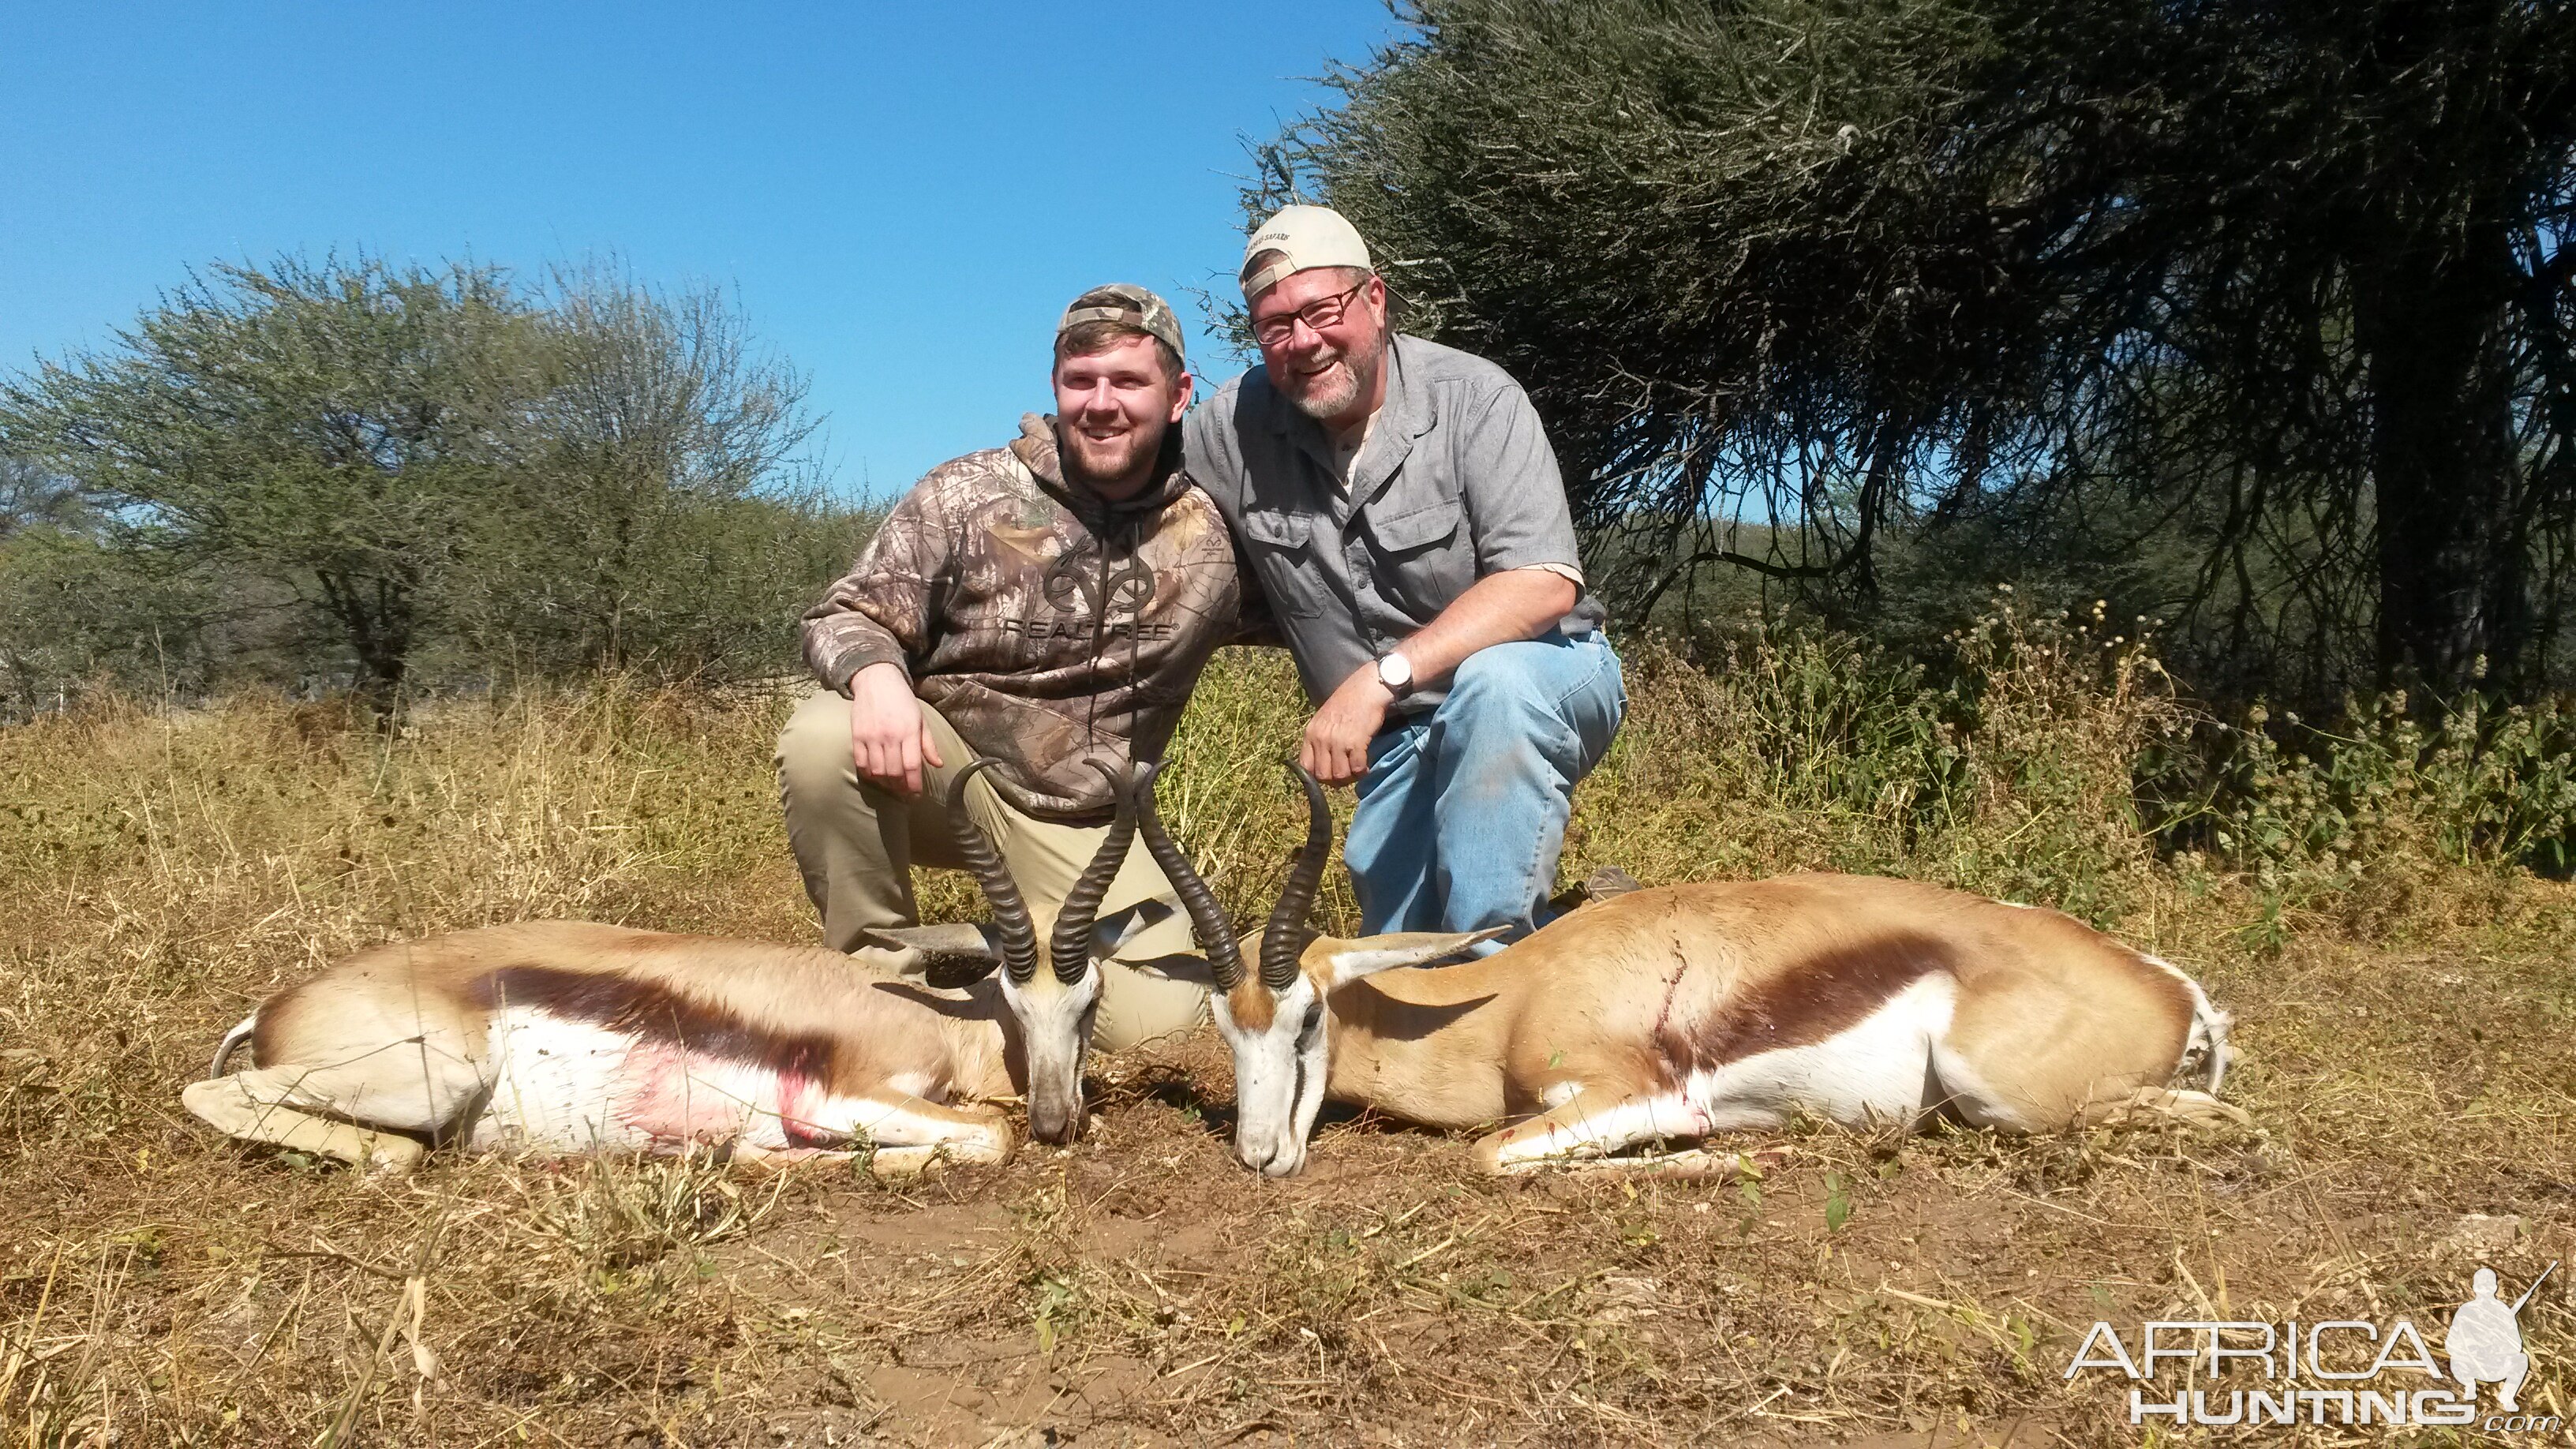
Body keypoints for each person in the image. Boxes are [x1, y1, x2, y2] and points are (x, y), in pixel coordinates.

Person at [778, 285, 1240, 1046]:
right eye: (1079, 381)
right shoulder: (967, 493)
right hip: (946, 782)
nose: (1101, 403)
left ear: (1180, 393)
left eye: (1128, 381)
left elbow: (1322, 606)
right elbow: (844, 614)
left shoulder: (1215, 536)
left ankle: (1009, 935)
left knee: (1160, 1030)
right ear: (1054, 387)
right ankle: (877, 982)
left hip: (1089, 821)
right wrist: (880, 678)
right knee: (825, 736)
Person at [1185, 204, 1624, 952]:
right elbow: (1123, 467)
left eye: (1320, 310)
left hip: (1548, 674)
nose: (1303, 342)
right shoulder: (1232, 427)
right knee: (1399, 967)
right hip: (1399, 739)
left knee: (1497, 697)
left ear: (1375, 300)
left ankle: (1503, 981)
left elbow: (1544, 581)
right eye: (1273, 327)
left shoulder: (1476, 397)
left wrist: (1376, 680)